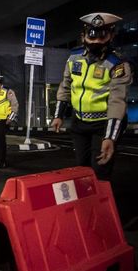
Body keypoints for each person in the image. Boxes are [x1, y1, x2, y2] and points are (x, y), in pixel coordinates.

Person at [51, 12, 132, 181]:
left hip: (103, 124)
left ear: (111, 36)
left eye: (103, 36)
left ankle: (101, 205)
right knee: (82, 168)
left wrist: (110, 137)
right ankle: (86, 204)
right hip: (79, 121)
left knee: (100, 170)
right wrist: (58, 115)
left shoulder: (118, 64)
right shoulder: (74, 57)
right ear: (83, 36)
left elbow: (117, 101)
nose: (96, 41)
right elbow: (66, 85)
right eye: (92, 36)